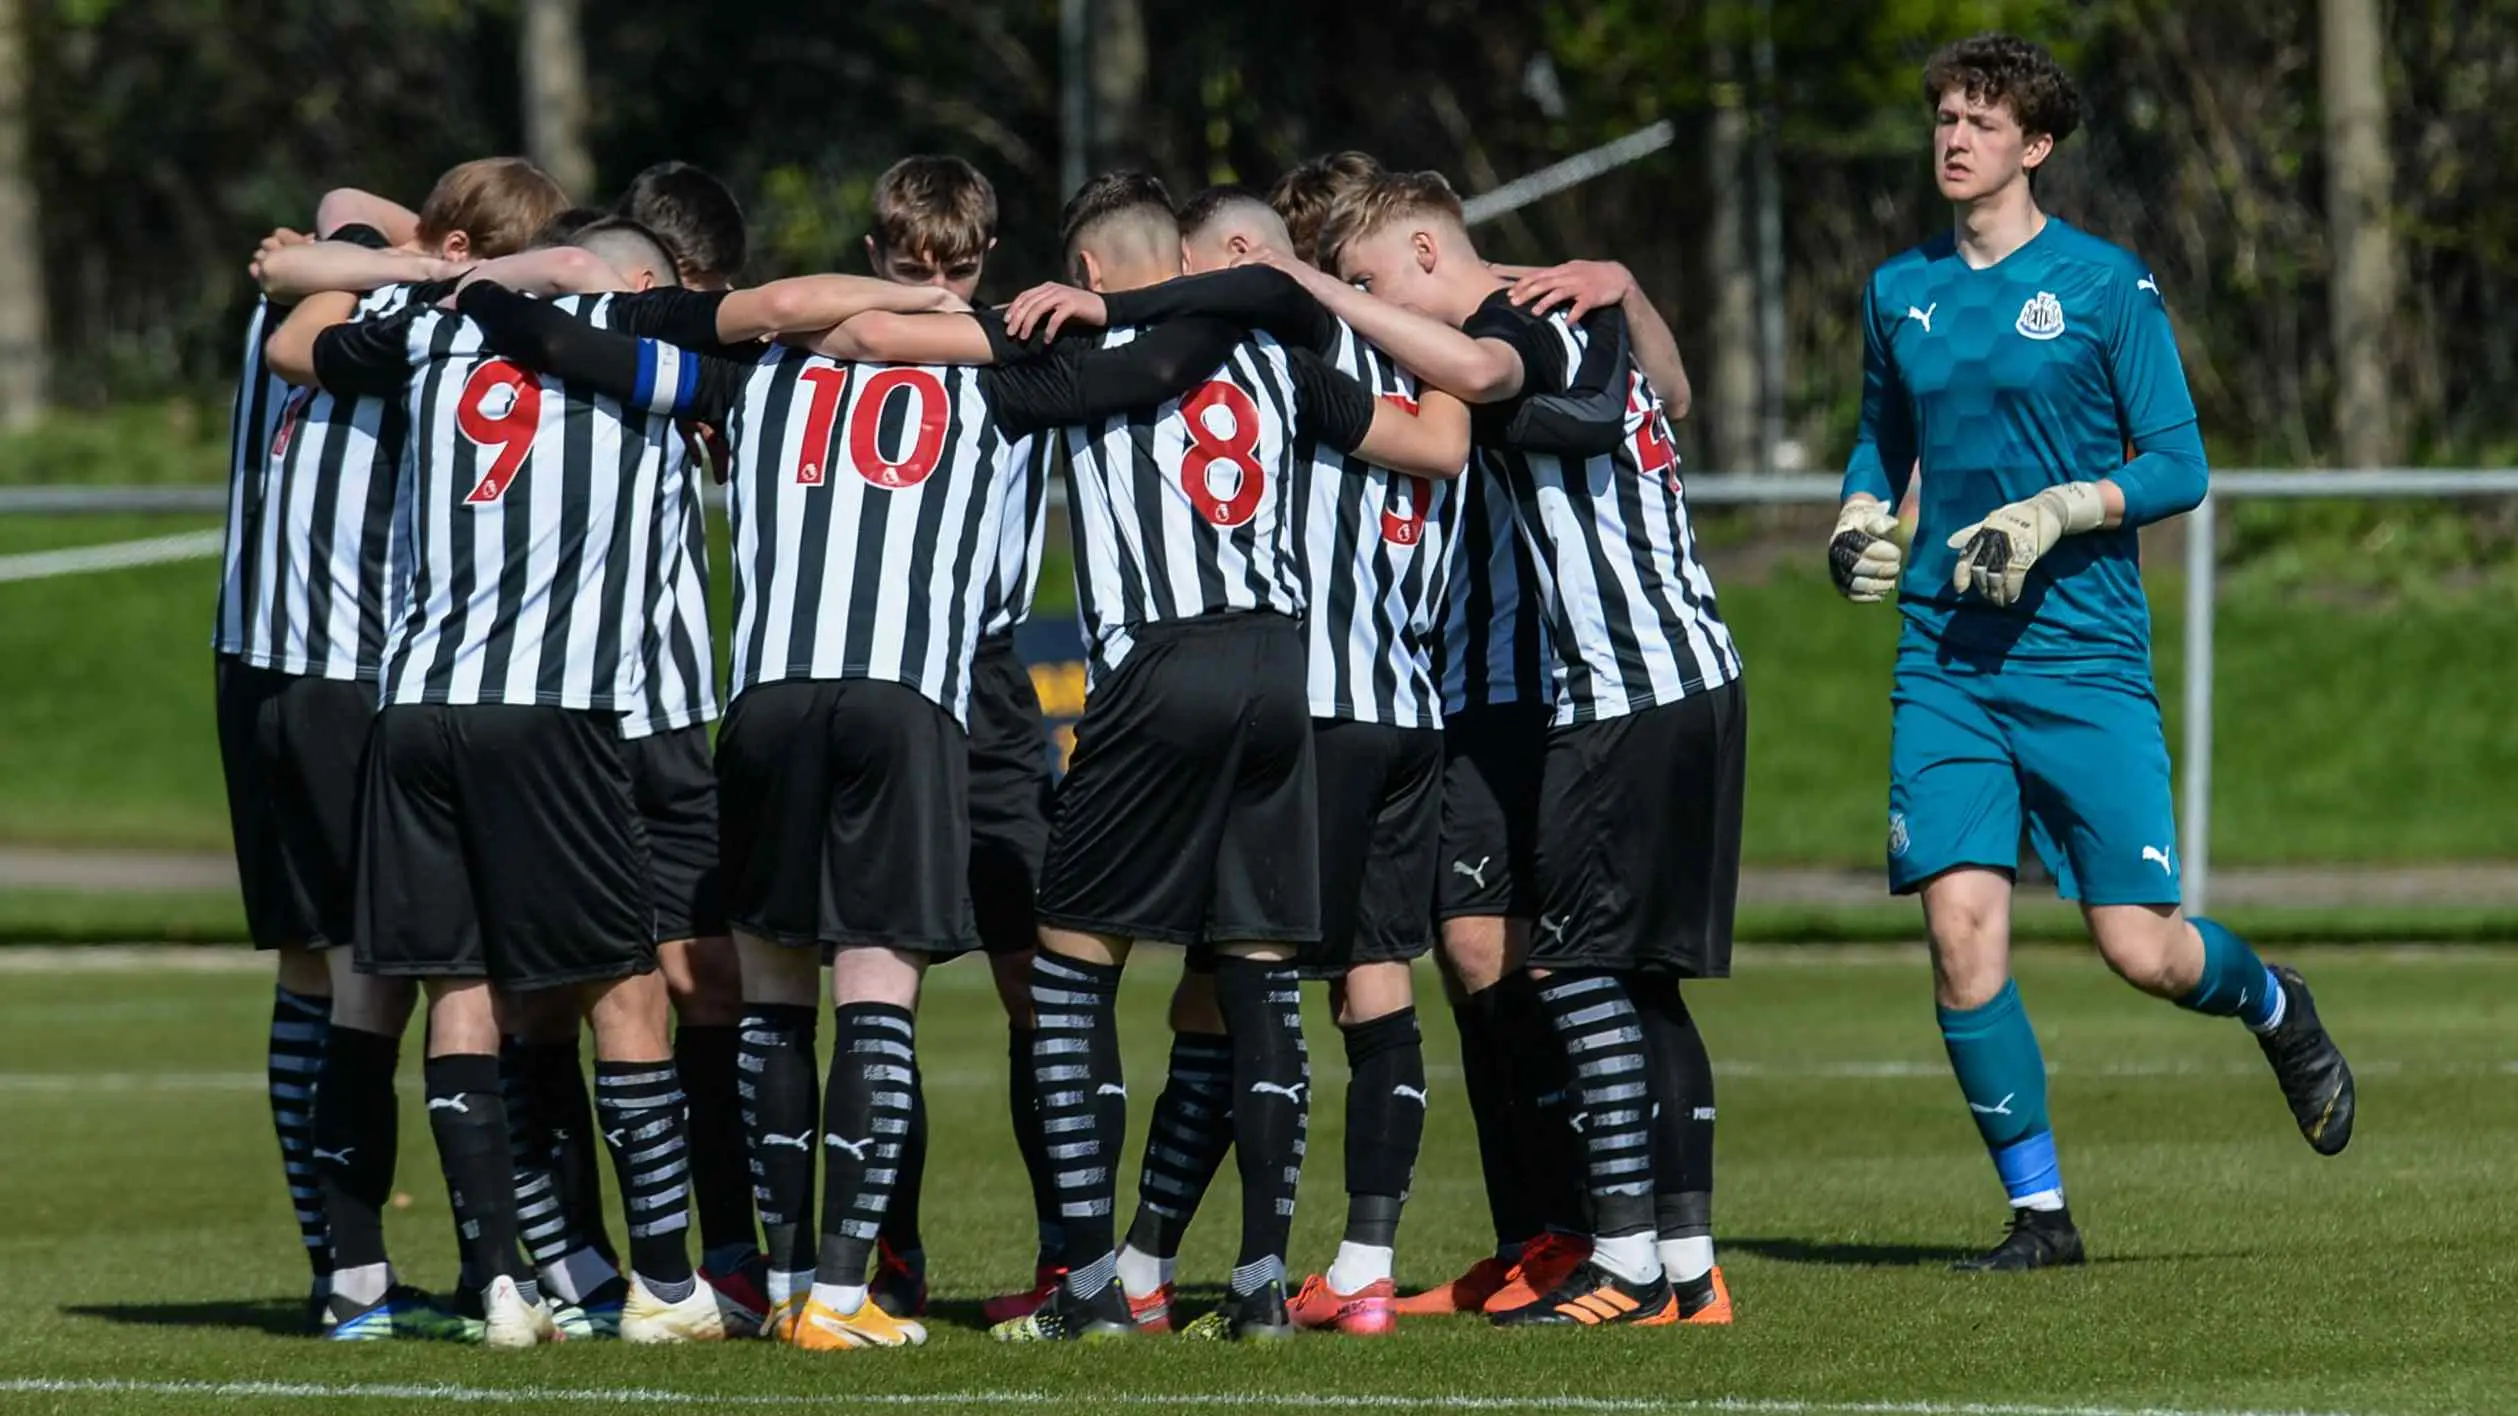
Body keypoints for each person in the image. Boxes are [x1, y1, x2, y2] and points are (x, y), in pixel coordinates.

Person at [1827, 31, 2356, 1271]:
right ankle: (2040, 1217)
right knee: (1961, 933)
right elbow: (1878, 439)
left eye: (1981, 122)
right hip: (1946, 664)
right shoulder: (1896, 288)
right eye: (1943, 118)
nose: (1954, 138)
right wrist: (1856, 518)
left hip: (2082, 663)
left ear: (2036, 146)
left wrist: (2063, 507)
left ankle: (2276, 1003)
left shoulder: (2107, 286)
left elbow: (2179, 464)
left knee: (2140, 949)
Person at [1318, 169, 1745, 1328]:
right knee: (1636, 982)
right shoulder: (1577, 302)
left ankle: (1626, 1261)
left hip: (1627, 690)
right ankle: (1686, 1270)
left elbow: (1492, 375)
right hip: (1673, 680)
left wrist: (1316, 295)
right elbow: (1651, 394)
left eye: (1366, 278)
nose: (1364, 302)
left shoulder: (1525, 319)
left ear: (1418, 254)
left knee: (1575, 967)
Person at [237, 157, 567, 1338]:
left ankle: (356, 1271)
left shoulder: (326, 281)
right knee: (404, 975)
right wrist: (446, 272)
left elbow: (324, 217)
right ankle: (386, 1274)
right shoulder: (409, 320)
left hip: (269, 664)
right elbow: (335, 219)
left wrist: (406, 250)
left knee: (319, 964)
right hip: (353, 672)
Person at [855, 153, 1066, 1327]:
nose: (935, 288)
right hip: (885, 672)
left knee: (1036, 977)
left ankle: (1058, 1251)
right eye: (907, 264)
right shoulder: (825, 347)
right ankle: (888, 1249)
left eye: (960, 268)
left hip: (991, 682)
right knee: (881, 984)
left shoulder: (1024, 349)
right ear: (873, 252)